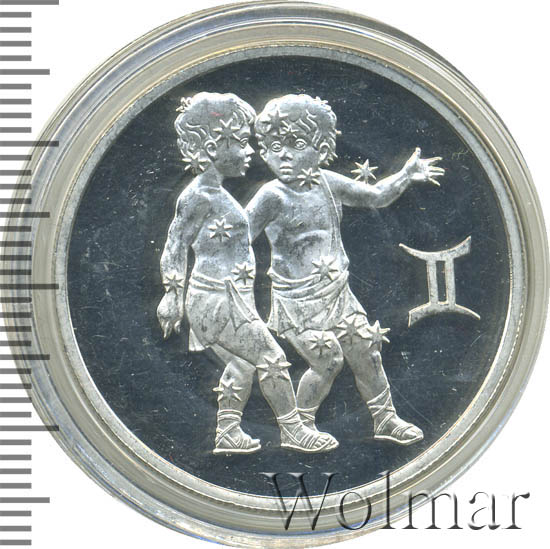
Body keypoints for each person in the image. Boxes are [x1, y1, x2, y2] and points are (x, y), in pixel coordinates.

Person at [247, 94, 445, 446]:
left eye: (296, 144)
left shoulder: (328, 182)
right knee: (327, 359)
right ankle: (298, 427)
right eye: (275, 146)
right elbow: (237, 239)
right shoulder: (271, 196)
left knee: (367, 351)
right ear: (264, 152)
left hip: (337, 292)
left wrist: (406, 175)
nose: (284, 155)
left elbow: (375, 196)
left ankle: (385, 418)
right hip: (297, 302)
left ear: (322, 149)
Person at [157, 92, 337, 455]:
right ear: (212, 147)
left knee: (241, 365)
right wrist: (171, 295)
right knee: (271, 358)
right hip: (218, 299)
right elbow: (175, 243)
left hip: (228, 297)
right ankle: (293, 431)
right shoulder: (199, 196)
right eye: (241, 142)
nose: (250, 151)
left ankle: (226, 432)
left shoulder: (215, 193)